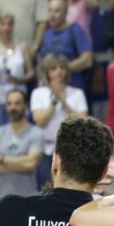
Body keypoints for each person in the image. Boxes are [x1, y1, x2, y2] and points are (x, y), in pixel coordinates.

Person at [31, 54, 88, 189]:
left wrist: (64, 102)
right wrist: (54, 101)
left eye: (62, 68)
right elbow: (40, 121)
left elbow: (83, 121)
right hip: (45, 150)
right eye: (54, 68)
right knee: (46, 189)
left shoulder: (77, 93)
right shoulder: (38, 93)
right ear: (47, 73)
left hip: (71, 150)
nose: (59, 71)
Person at [0, 89, 44, 200]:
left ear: (25, 105)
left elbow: (31, 165)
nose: (13, 107)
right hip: (0, 200)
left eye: (17, 103)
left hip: (27, 199)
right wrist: (22, 162)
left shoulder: (36, 133)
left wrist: (2, 159)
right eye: (9, 104)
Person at [37, 0, 93, 93]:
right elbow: (42, 61)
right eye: (50, 10)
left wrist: (62, 70)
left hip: (72, 88)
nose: (52, 15)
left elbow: (87, 60)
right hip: (49, 89)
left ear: (65, 13)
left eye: (57, 11)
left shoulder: (75, 31)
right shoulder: (46, 34)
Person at [0, 13, 36, 109]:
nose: (6, 28)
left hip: (18, 96)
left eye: (9, 24)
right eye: (3, 24)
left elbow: (31, 73)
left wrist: (20, 80)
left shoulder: (22, 46)